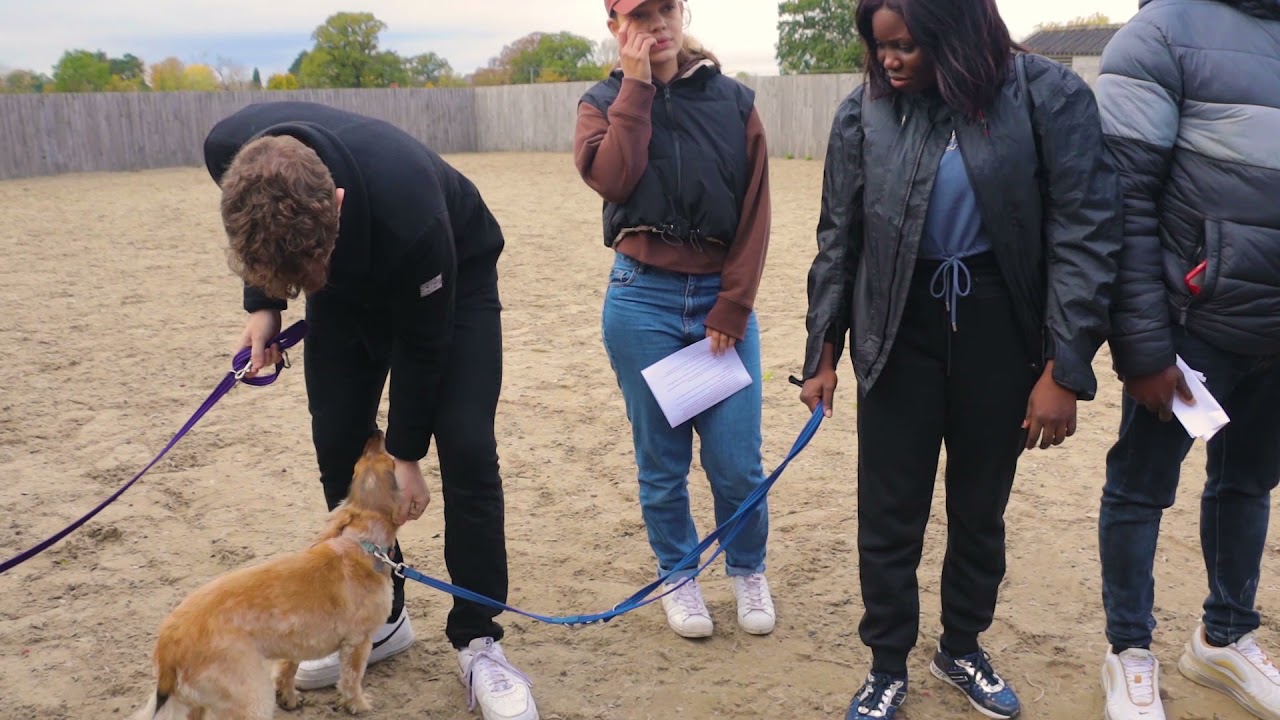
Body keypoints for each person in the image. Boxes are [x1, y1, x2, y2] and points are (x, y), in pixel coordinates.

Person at [799, 0, 1123, 717]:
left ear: (957, 32)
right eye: (879, 47)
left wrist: (1064, 368)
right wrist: (822, 351)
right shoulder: (864, 114)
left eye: (907, 46)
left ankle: (961, 646)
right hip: (895, 327)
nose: (889, 61)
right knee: (889, 511)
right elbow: (838, 238)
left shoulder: (1049, 96)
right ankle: (886, 664)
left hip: (999, 331)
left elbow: (1086, 230)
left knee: (981, 509)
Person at [202, 100, 538, 720]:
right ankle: (384, 619)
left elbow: (425, 343)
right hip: (344, 286)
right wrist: (265, 305)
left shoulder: (411, 211)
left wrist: (407, 454)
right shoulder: (228, 149)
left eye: (308, 269)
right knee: (337, 434)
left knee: (464, 443)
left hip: (449, 278)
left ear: (335, 201)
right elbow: (262, 235)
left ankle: (479, 639)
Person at [1093, 0, 1280, 717]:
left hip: (1273, 333)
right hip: (1189, 326)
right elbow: (1119, 199)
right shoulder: (1161, 32)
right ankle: (1129, 652)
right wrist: (1142, 344)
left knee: (1249, 485)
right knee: (1141, 488)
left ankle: (1224, 637)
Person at [572, 0, 776, 639]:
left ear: (683, 12)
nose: (657, 24)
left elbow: (755, 209)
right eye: (640, 14)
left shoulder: (734, 101)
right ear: (614, 28)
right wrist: (635, 88)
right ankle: (679, 574)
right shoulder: (599, 105)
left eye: (667, 8)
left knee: (737, 460)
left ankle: (746, 567)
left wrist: (735, 302)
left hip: (721, 298)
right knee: (661, 462)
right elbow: (615, 179)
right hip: (643, 301)